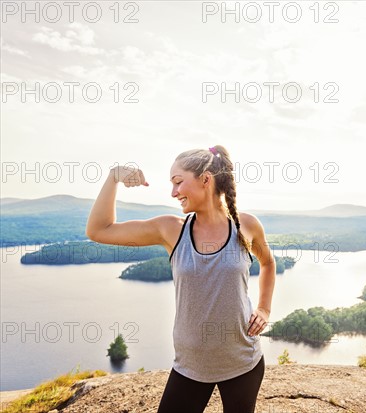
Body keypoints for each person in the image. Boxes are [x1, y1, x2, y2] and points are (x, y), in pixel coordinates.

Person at [86, 145, 276, 413]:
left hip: (243, 361)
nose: (173, 192)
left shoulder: (246, 225)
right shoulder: (171, 230)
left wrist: (264, 308)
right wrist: (114, 176)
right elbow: (99, 230)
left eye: (178, 182)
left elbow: (268, 262)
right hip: (190, 366)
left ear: (205, 179)